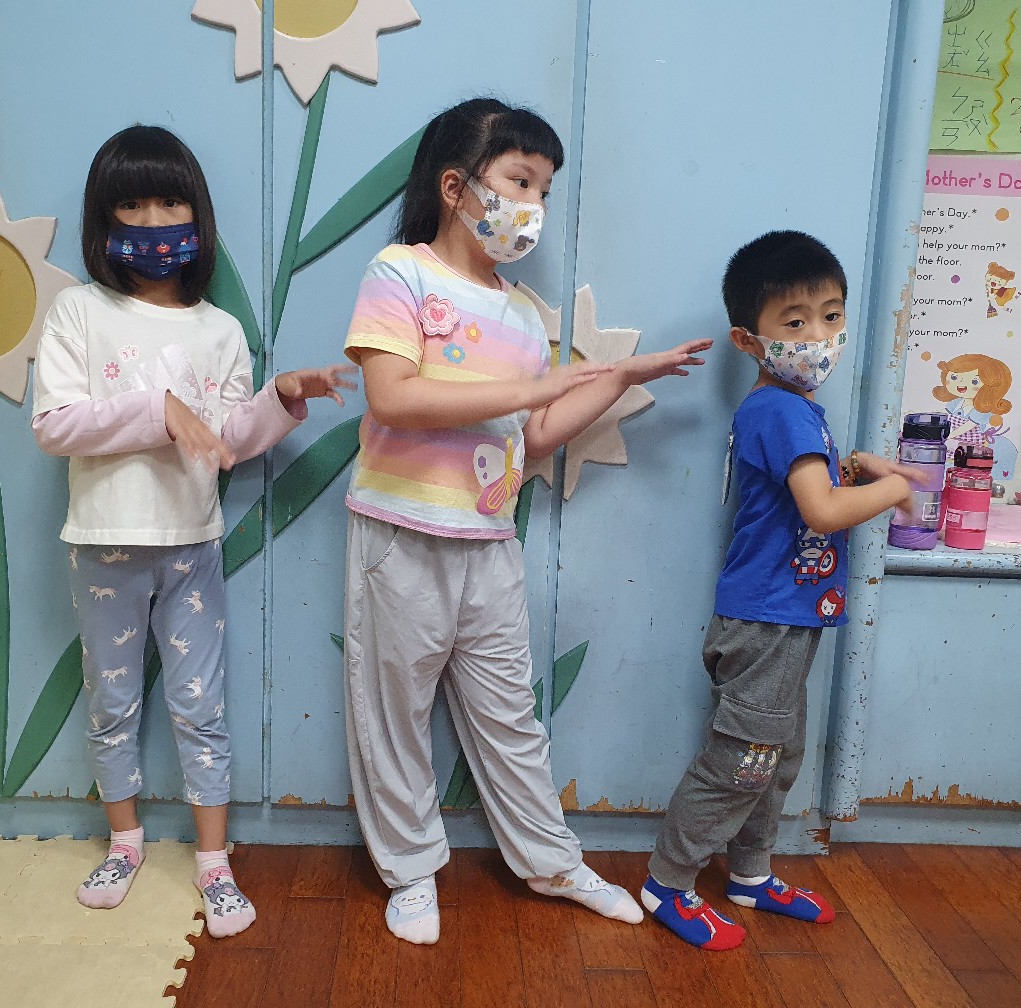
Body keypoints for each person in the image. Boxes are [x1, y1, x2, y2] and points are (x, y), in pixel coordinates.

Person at [341, 97, 713, 945]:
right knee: (392, 714)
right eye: (519, 181)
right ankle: (410, 870)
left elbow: (533, 435)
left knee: (511, 716)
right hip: (399, 534)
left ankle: (550, 861)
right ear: (456, 187)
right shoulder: (399, 273)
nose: (533, 205)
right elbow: (393, 397)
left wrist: (615, 379)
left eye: (544, 189)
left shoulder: (520, 314)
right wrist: (535, 387)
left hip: (489, 543)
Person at [31, 124, 355, 937]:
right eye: (132, 205)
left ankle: (214, 861)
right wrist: (158, 410)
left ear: (197, 216)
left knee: (199, 706)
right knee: (111, 702)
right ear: (104, 219)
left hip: (191, 544)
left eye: (170, 203)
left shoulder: (219, 331)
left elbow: (229, 442)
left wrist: (282, 396)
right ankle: (125, 843)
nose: (152, 221)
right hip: (103, 544)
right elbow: (55, 424)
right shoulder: (78, 310)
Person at [640, 230, 918, 950]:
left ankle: (750, 874)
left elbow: (808, 492)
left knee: (776, 756)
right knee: (740, 762)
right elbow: (820, 511)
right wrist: (892, 489)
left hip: (786, 617)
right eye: (795, 322)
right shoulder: (783, 410)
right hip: (765, 623)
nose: (819, 336)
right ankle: (667, 881)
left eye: (831, 315)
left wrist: (854, 468)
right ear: (749, 340)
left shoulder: (792, 407)